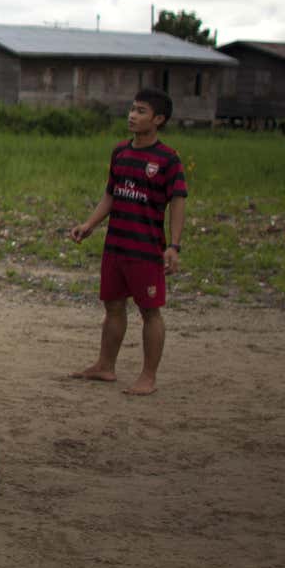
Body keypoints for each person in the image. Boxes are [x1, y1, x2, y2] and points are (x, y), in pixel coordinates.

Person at [67, 88, 188, 396]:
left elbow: (177, 202)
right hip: (115, 247)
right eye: (132, 109)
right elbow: (111, 194)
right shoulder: (120, 152)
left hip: (146, 250)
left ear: (158, 119)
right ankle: (105, 366)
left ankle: (148, 376)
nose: (133, 115)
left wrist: (173, 246)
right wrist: (90, 224)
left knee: (150, 311)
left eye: (141, 111)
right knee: (113, 306)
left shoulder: (168, 159)